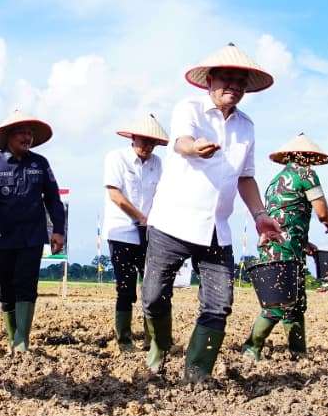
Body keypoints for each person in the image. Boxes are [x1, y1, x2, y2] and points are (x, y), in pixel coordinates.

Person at [141, 43, 283, 382]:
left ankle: (196, 375)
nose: (233, 86)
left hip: (217, 229)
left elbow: (245, 176)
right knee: (153, 298)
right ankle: (160, 345)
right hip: (172, 222)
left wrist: (260, 215)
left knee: (218, 305)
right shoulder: (188, 109)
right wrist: (195, 149)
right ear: (210, 81)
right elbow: (180, 143)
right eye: (227, 79)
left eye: (240, 81)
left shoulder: (246, 126)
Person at [0, 109, 67, 355]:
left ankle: (22, 340)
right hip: (2, 237)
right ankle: (12, 335)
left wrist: (58, 230)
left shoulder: (40, 163)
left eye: (29, 133)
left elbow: (53, 199)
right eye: (21, 133)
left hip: (32, 236)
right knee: (6, 288)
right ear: (8, 137)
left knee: (26, 285)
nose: (27, 137)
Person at [241, 133, 328, 360]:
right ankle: (251, 348)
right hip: (286, 249)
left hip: (276, 246)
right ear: (307, 156)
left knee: (293, 302)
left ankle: (298, 353)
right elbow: (322, 211)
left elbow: (283, 217)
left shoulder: (275, 181)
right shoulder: (306, 174)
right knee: (278, 302)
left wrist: (303, 242)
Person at [102, 114, 167, 352]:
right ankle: (125, 340)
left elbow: (161, 194)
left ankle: (152, 340)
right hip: (122, 232)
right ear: (133, 137)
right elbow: (115, 195)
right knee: (126, 287)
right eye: (143, 140)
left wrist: (154, 221)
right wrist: (140, 217)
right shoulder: (116, 158)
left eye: (152, 142)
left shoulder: (158, 164)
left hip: (150, 232)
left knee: (153, 287)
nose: (147, 146)